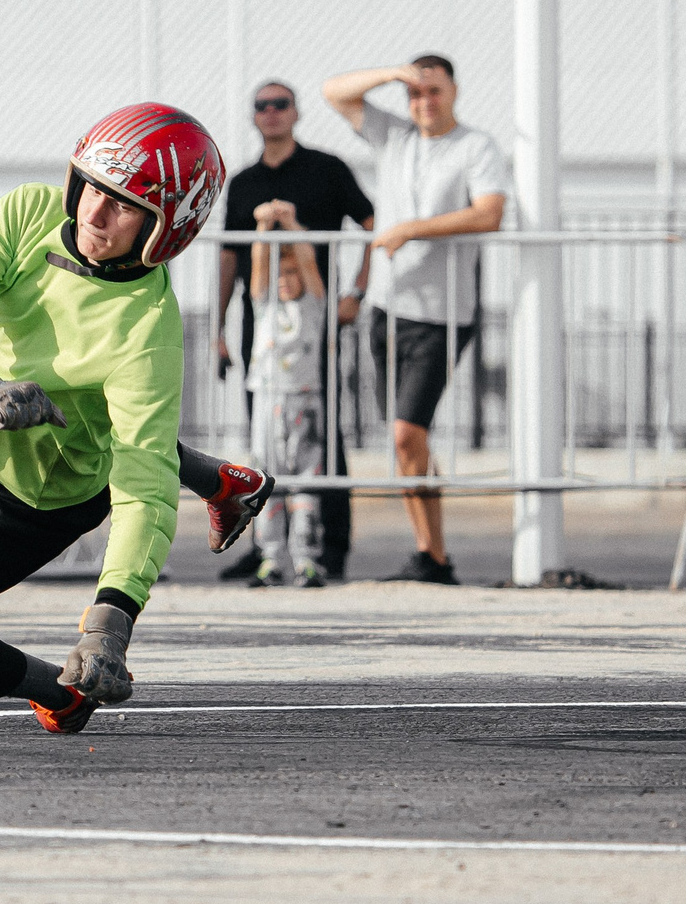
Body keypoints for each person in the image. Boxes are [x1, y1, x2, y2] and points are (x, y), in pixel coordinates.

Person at [0, 104, 272, 735]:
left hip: (42, 494)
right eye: (91, 187)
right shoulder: (29, 212)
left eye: (124, 205)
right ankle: (224, 483)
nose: (93, 214)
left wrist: (111, 624)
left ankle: (59, 695)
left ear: (169, 227)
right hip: (8, 422)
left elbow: (142, 488)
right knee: (111, 427)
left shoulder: (149, 332)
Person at [321, 55, 509, 585]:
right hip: (387, 308)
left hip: (442, 314)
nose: (424, 101)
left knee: (408, 433)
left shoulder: (476, 146)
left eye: (434, 90)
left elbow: (490, 212)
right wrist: (389, 75)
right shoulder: (396, 136)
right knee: (406, 441)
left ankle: (436, 553)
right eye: (416, 92)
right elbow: (335, 92)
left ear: (454, 91)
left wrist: (411, 229)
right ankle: (430, 553)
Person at [212, 80, 373, 581]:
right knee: (262, 436)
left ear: (296, 112)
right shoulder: (243, 182)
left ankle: (329, 545)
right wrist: (218, 326)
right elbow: (229, 255)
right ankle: (265, 546)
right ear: (253, 116)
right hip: (259, 319)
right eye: (262, 105)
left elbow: (371, 222)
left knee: (322, 437)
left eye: (280, 104)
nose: (272, 112)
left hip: (314, 322)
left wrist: (357, 291)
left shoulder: (327, 169)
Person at [243, 200, 329, 588]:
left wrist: (291, 223)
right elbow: (259, 265)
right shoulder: (265, 306)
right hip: (267, 398)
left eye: (291, 272)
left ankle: (306, 559)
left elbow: (308, 261)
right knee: (265, 476)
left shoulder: (312, 305)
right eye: (280, 273)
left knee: (307, 478)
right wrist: (263, 228)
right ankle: (270, 557)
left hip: (303, 398)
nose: (284, 279)